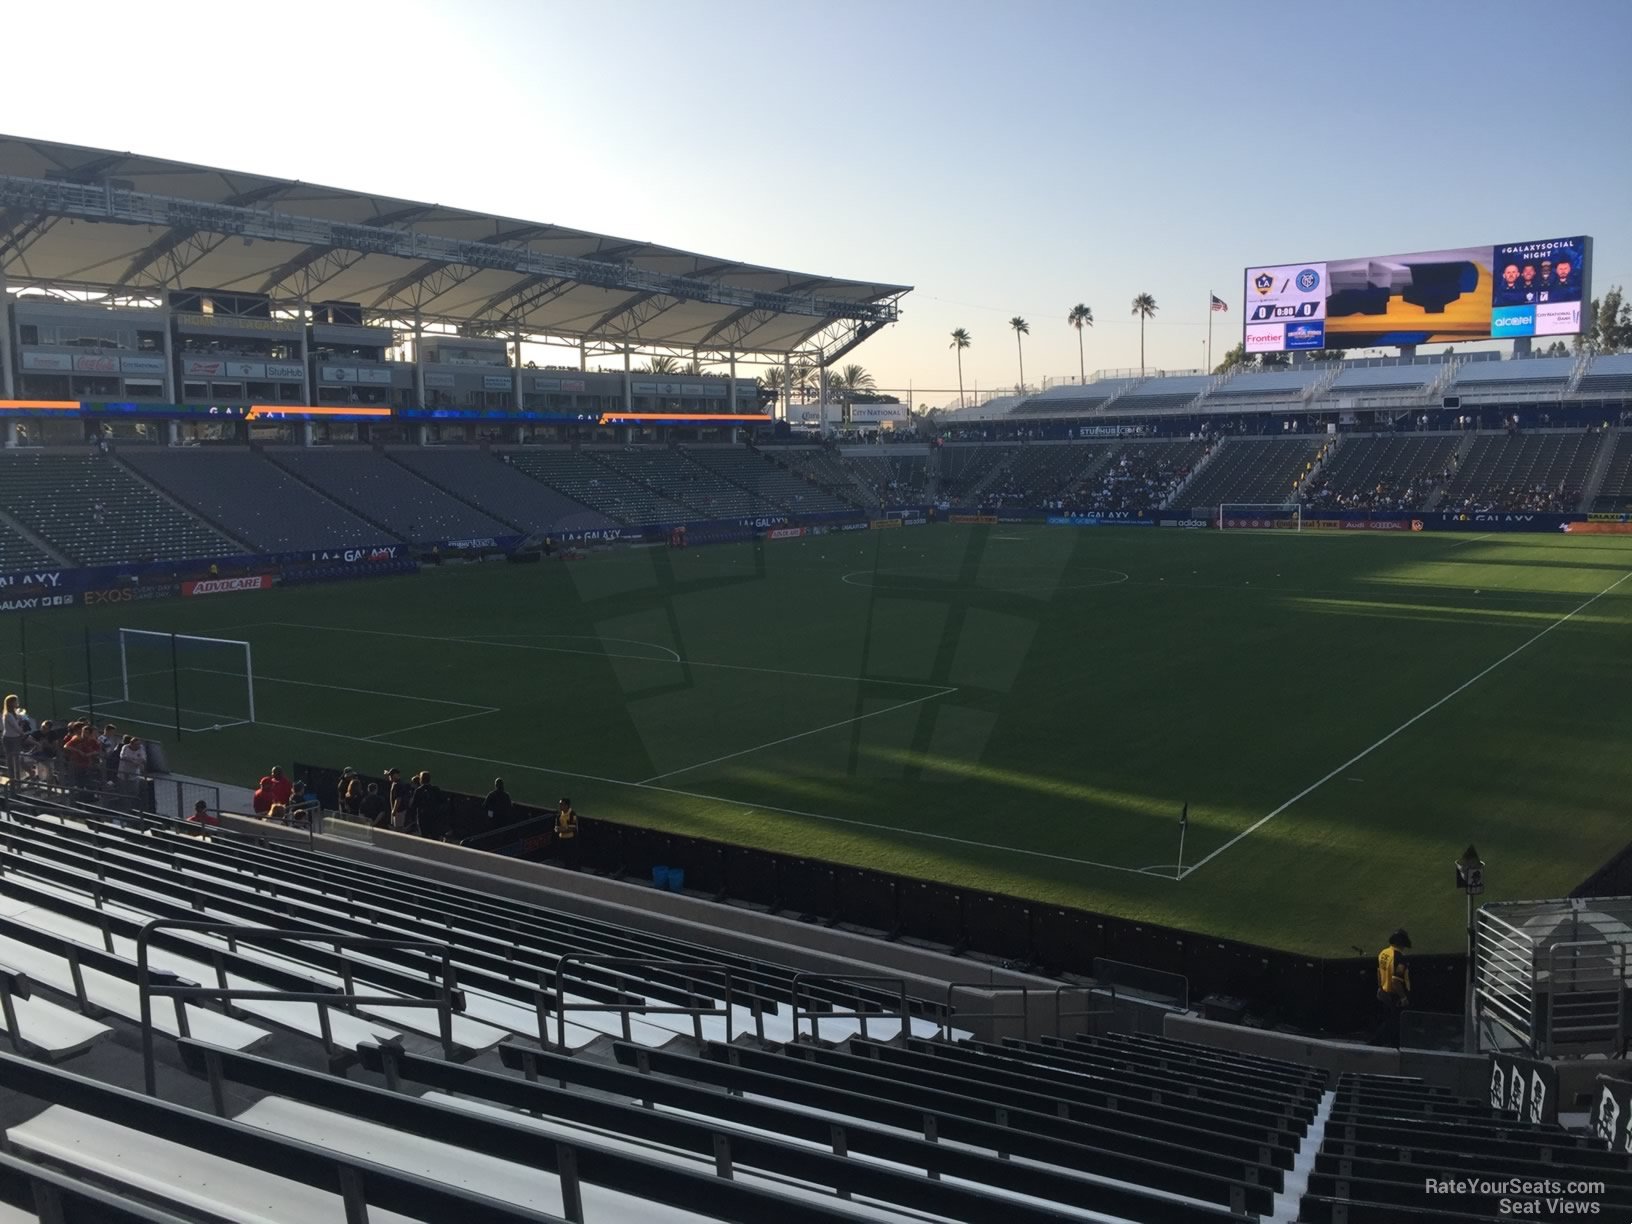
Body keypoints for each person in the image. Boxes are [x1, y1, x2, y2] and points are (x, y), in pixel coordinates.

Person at [1375, 927, 1412, 1047]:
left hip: (1385, 993)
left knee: (1389, 1021)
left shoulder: (1383, 953)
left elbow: (1379, 972)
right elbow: (1396, 981)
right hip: (1395, 997)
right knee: (1394, 1024)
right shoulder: (1400, 958)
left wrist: (1380, 988)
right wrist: (1403, 997)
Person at [2, 695, 29, 789]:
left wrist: (22, 719)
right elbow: (16, 728)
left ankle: (17, 781)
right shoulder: (8, 715)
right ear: (11, 703)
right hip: (10, 739)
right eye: (16, 701)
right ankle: (14, 782)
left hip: (14, 738)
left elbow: (18, 724)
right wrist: (23, 732)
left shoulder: (13, 713)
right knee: (12, 761)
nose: (17, 702)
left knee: (17, 761)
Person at [555, 796, 580, 869]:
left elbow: (572, 828)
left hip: (571, 841)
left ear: (567, 805)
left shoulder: (572, 814)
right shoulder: (559, 815)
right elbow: (556, 829)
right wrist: (565, 829)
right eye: (560, 804)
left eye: (562, 804)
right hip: (562, 840)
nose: (560, 806)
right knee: (563, 858)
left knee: (572, 858)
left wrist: (562, 829)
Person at [387, 767, 413, 832]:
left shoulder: (398, 785)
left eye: (391, 775)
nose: (389, 776)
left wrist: (394, 811)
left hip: (399, 811)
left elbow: (398, 799)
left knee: (398, 829)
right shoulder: (396, 783)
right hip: (398, 810)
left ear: (395, 775)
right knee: (396, 828)